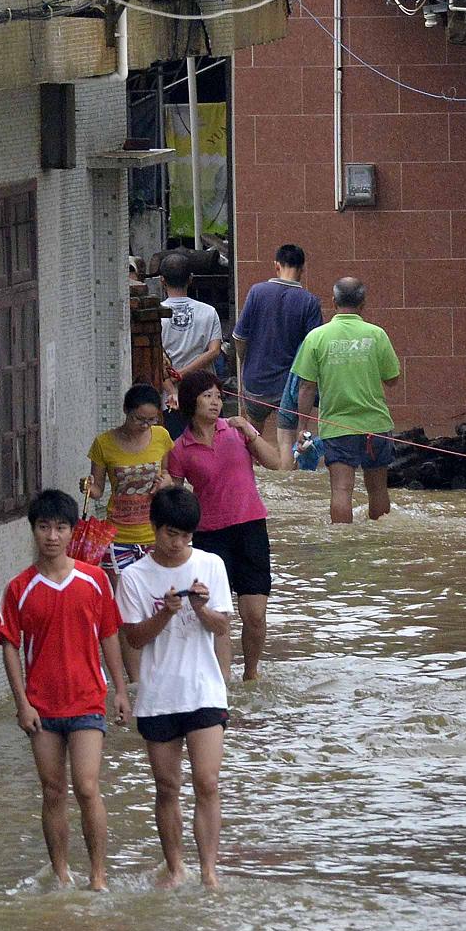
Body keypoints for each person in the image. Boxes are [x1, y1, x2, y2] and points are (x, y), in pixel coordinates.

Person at [0, 489, 128, 888]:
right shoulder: (18, 588)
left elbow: (110, 636)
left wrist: (119, 690)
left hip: (87, 699)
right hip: (42, 707)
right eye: (44, 527)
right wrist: (22, 704)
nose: (52, 535)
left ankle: (98, 876)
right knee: (53, 791)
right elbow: (10, 648)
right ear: (33, 530)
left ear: (73, 531)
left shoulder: (95, 580)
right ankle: (61, 873)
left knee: (87, 787)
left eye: (61, 527)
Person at [114, 482, 234, 889]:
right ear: (154, 527)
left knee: (208, 782)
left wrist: (201, 609)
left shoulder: (211, 564)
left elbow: (222, 627)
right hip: (158, 695)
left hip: (204, 690)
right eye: (171, 534)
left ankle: (209, 872)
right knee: (167, 786)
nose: (178, 543)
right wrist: (166, 613)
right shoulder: (133, 577)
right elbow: (133, 638)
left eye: (186, 536)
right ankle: (174, 867)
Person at [166, 368, 292, 684]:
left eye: (219, 396)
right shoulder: (180, 449)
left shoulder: (236, 432)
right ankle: (219, 679)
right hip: (209, 537)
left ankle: (251, 674)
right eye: (207, 396)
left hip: (250, 528)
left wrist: (251, 432)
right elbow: (176, 499)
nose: (215, 403)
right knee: (217, 615)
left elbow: (275, 463)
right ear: (190, 402)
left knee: (255, 615)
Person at [290, 276, 400, 525]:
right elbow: (392, 379)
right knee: (379, 490)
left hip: (338, 428)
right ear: (363, 303)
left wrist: (302, 427)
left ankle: (343, 544)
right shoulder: (377, 335)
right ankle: (383, 542)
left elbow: (306, 386)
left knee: (341, 489)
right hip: (377, 425)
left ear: (333, 302)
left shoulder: (316, 337)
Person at [234, 244, 322, 435]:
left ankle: (253, 464)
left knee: (252, 437)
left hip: (256, 381)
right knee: (287, 442)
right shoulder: (310, 301)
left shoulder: (257, 292)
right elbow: (314, 349)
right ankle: (288, 465)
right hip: (289, 386)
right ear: (302, 269)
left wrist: (244, 362)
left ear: (276, 265)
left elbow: (239, 337)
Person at [84, 385, 172, 565]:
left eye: (151, 420)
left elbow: (168, 473)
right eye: (139, 419)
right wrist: (88, 487)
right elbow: (98, 490)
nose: (145, 425)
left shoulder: (161, 436)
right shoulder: (104, 443)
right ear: (126, 410)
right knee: (121, 591)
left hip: (155, 531)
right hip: (118, 535)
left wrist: (166, 482)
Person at [157, 252, 225, 387]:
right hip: (202, 391)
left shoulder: (155, 314)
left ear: (162, 280)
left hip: (168, 393)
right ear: (190, 279)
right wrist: (181, 374)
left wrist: (176, 377)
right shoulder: (209, 312)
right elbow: (214, 351)